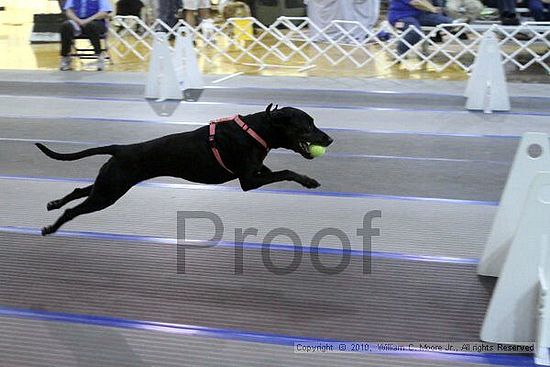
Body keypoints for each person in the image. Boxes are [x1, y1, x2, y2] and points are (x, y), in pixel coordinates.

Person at [59, 0, 113, 71]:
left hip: (96, 22)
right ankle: (65, 57)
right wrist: (78, 20)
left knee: (91, 26)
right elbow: (69, 11)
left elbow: (103, 13)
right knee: (66, 26)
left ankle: (99, 55)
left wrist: (87, 20)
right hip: (78, 21)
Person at [388, 0, 454, 56]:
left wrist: (433, 8)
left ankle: (456, 25)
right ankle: (399, 52)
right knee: (414, 32)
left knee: (448, 22)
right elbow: (415, 2)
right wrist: (432, 9)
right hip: (400, 17)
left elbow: (423, 1)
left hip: (418, 16)